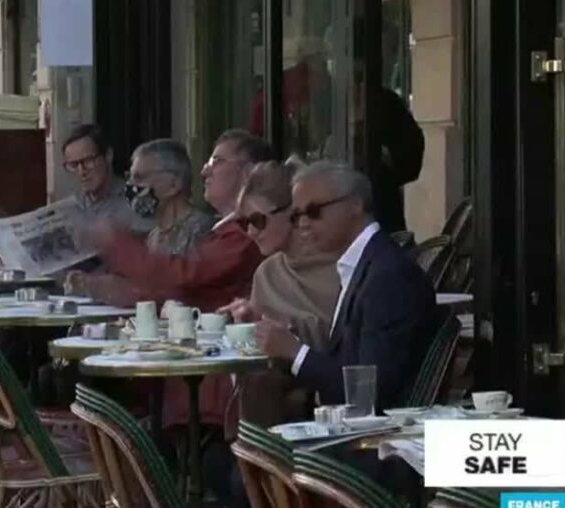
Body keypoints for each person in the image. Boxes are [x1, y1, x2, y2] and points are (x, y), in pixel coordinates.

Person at [75, 130, 270, 446]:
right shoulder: (221, 229)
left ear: (248, 172)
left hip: (206, 383)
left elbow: (184, 276)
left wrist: (116, 245)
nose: (204, 170)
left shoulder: (243, 233)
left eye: (216, 161)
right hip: (184, 369)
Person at [203, 157, 340, 506]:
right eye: (243, 223)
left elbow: (340, 338)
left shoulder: (340, 266)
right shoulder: (268, 272)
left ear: (291, 213)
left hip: (323, 403)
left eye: (257, 220)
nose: (250, 231)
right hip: (266, 409)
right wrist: (249, 318)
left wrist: (285, 330)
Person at [254, 160, 439, 410]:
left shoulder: (387, 276)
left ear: (355, 205)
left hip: (375, 437)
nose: (304, 224)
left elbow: (371, 389)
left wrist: (295, 351)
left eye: (314, 211)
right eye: (297, 216)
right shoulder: (362, 264)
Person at [67, 139, 214, 306]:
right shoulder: (154, 235)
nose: (131, 186)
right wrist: (94, 284)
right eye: (129, 178)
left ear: (174, 184)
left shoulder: (202, 230)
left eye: (139, 178)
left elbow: (186, 291)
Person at [63, 124, 153, 236]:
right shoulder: (70, 207)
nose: (81, 171)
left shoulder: (138, 199)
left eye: (88, 161)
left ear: (108, 156)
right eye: (74, 165)